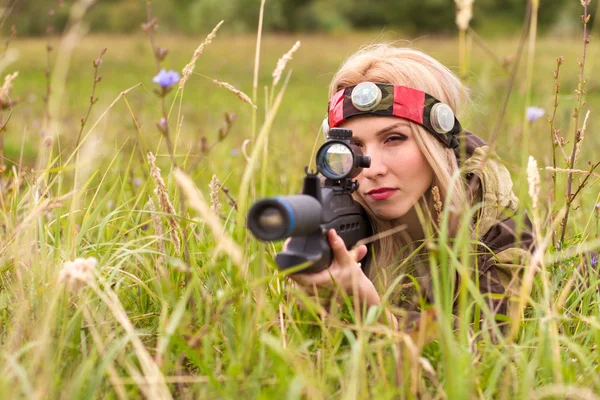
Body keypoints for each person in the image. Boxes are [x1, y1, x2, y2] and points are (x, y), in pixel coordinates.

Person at [289, 44, 535, 334]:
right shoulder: (337, 210)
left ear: (435, 142)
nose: (372, 168)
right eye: (354, 147)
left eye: (393, 139)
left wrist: (371, 310)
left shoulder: (496, 224)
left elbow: (490, 348)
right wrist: (310, 294)